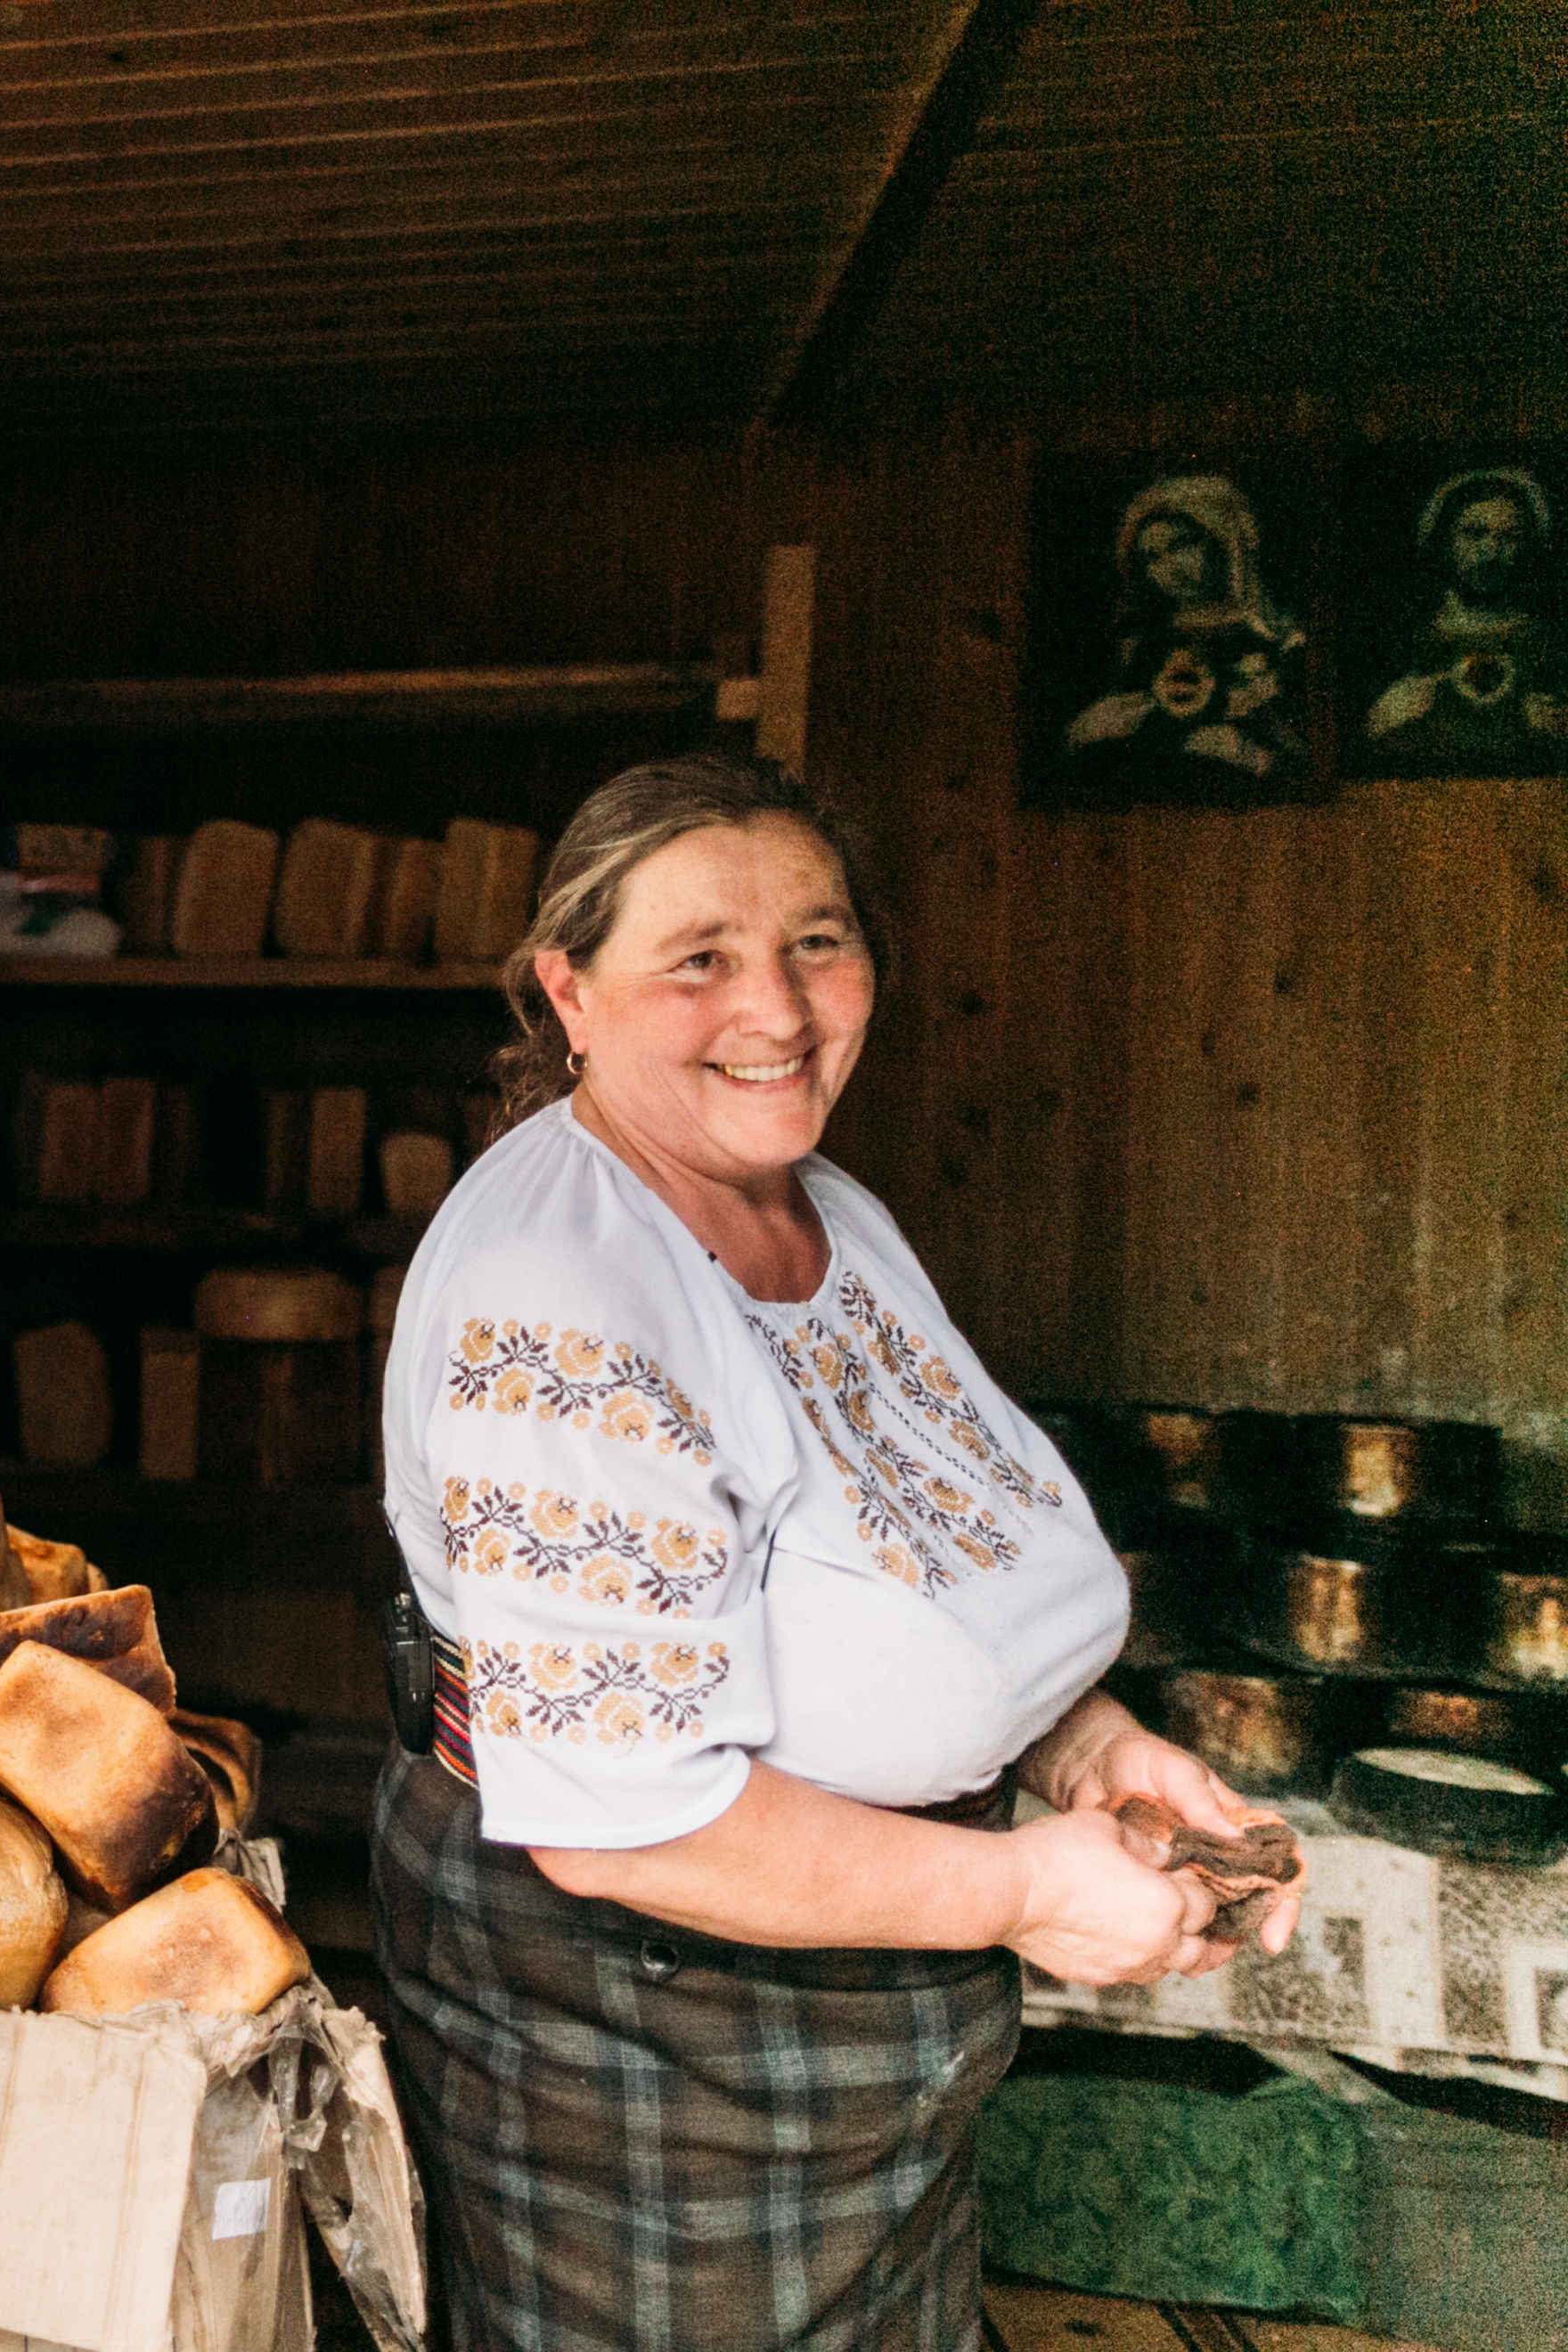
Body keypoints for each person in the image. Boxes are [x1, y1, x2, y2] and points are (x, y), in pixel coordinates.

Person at [368, 754, 1297, 2352]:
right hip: (654, 2021)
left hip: (856, 2002)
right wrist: (1023, 1892)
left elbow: (912, 1560)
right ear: (568, 991)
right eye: (700, 958)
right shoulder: (563, 1291)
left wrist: (1087, 1756)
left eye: (818, 941)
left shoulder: (827, 1218)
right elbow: (624, 1827)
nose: (780, 1011)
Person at [1057, 474, 1307, 797]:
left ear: (1222, 539)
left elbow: (1300, 756)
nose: (1169, 568)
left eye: (1182, 544)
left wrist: (1248, 753)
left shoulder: (1275, 637)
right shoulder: (1143, 643)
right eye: (1152, 556)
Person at [1357, 465, 1565, 776]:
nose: (1491, 551)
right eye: (1474, 533)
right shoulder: (1409, 640)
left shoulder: (1545, 640)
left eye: (1509, 536)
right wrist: (1382, 721)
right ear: (1445, 540)